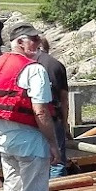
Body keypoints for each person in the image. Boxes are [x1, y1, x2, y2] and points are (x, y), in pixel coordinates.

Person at [0, 20, 60, 191]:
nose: (39, 42)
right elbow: (41, 112)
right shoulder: (35, 70)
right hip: (29, 142)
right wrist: (53, 144)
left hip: (3, 140)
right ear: (20, 43)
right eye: (34, 39)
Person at [35, 35, 71, 178]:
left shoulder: (27, 62)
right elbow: (64, 99)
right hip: (53, 116)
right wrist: (65, 124)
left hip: (31, 118)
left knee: (37, 160)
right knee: (57, 160)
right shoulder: (56, 65)